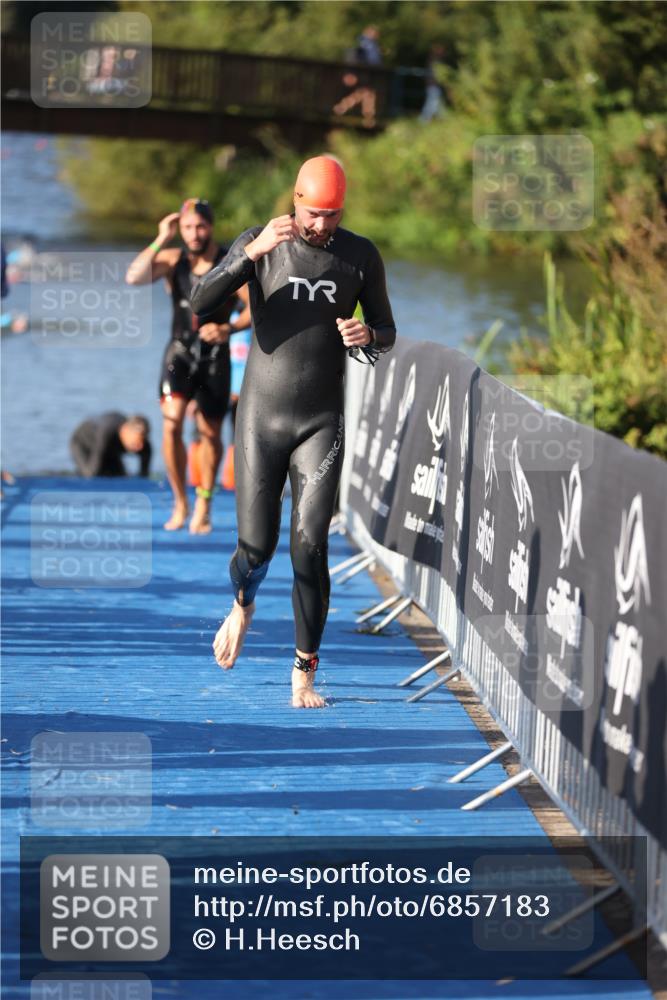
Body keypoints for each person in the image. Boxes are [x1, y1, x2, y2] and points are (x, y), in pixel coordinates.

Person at [191, 156, 396, 708]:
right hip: (261, 418)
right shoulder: (263, 242)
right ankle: (243, 602)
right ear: (295, 200)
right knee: (256, 551)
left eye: (332, 215)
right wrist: (248, 258)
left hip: (320, 421)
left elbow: (387, 329)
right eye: (313, 213)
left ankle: (303, 672)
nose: (321, 225)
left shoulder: (359, 255)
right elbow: (200, 302)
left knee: (311, 547)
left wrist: (365, 332)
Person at [126, 199, 250, 533]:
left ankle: (204, 503)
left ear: (211, 227)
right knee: (170, 426)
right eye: (187, 228)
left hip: (214, 355)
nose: (194, 234)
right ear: (180, 229)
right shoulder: (173, 259)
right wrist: (160, 239)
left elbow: (254, 310)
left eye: (200, 227)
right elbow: (133, 278)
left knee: (210, 433)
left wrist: (230, 328)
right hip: (179, 353)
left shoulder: (231, 263)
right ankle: (180, 501)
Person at [70, 412, 151, 478]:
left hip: (110, 449)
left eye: (143, 441)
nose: (140, 447)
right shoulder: (107, 432)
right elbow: (93, 472)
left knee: (121, 476)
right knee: (90, 474)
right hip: (82, 442)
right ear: (125, 431)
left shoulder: (144, 446)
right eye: (135, 442)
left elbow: (144, 476)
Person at [420, 43, 447, 122]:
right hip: (433, 85)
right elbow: (434, 76)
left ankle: (442, 119)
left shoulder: (433, 61)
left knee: (436, 103)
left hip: (433, 85)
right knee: (432, 103)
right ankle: (423, 120)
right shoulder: (435, 62)